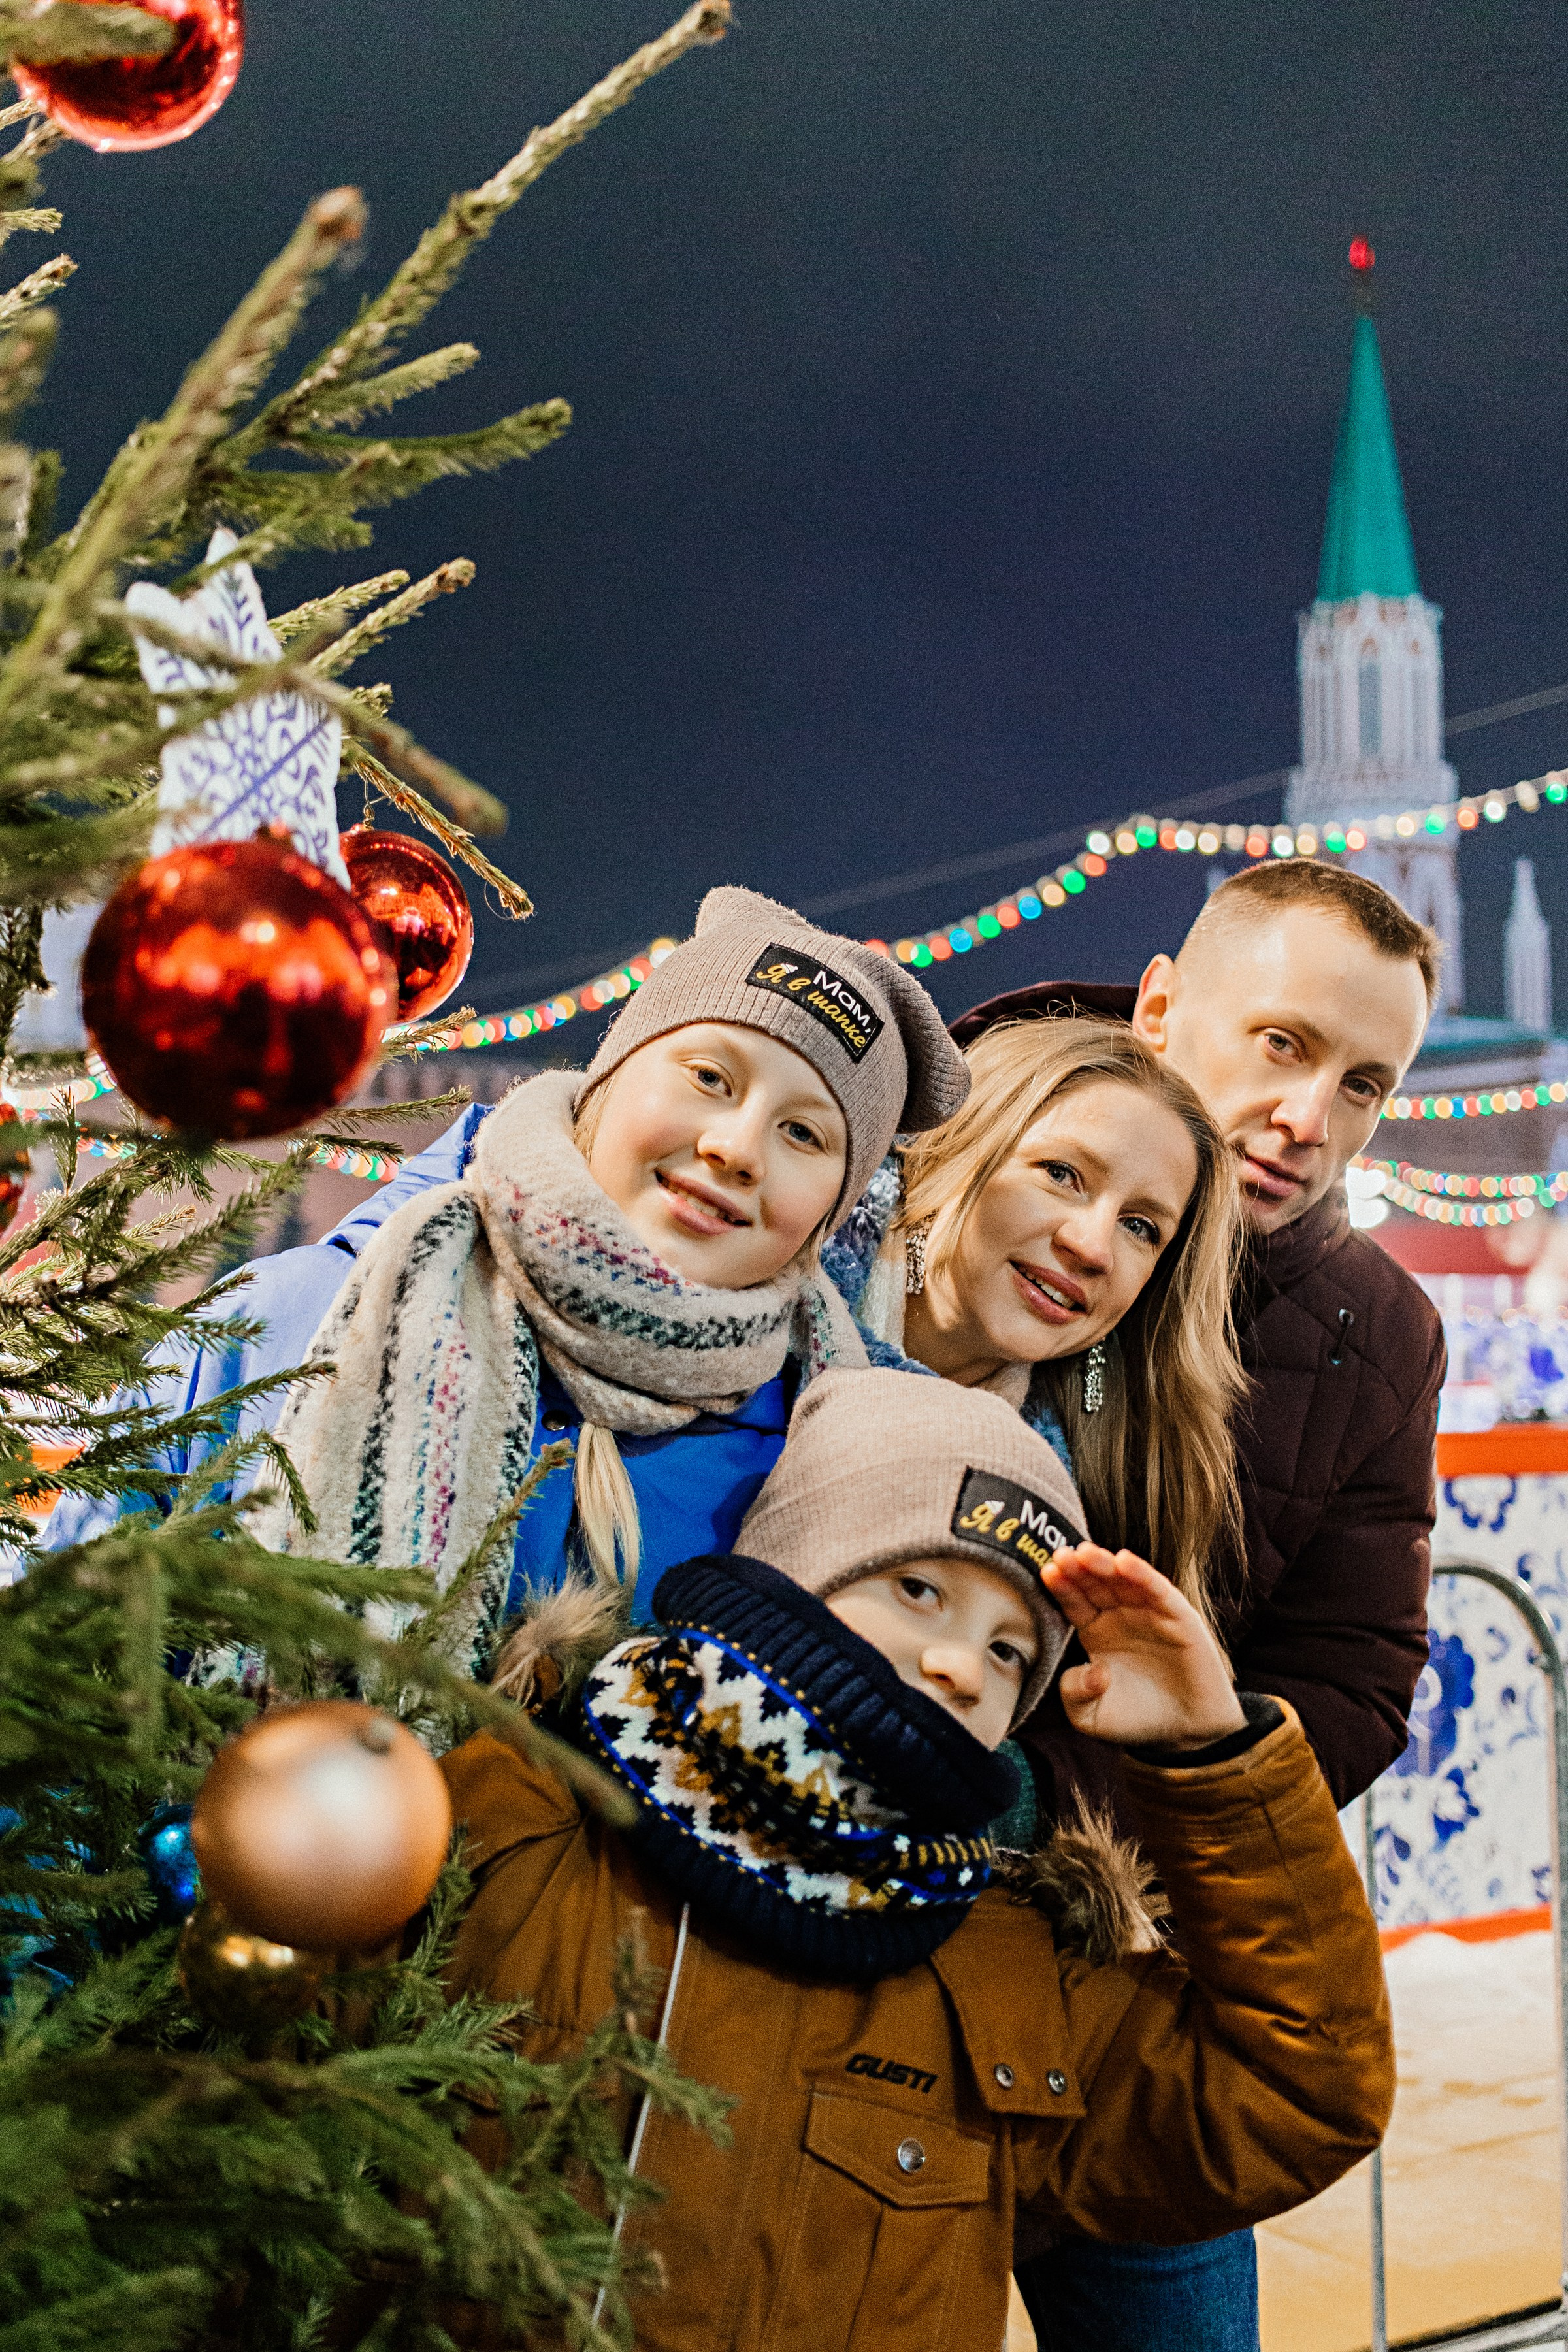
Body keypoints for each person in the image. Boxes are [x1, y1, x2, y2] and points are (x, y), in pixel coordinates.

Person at [431, 1368, 1394, 2352]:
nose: (961, 1666)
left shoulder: (1006, 1971)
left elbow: (1299, 2099)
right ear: (795, 1566)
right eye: (919, 1589)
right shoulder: (528, 1817)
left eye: (1011, 1651)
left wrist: (1211, 1755)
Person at [936, 857, 1441, 2351]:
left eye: (1364, 1085)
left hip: (1120, 1975)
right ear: (1163, 1006)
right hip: (832, 1933)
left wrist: (1093, 1792)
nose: (1310, 1118)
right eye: (1283, 1044)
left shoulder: (1373, 1331)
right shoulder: (933, 1144)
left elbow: (1354, 1680)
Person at [44, 887, 970, 1680]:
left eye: (805, 1133)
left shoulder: (827, 1471)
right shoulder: (282, 1322)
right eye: (709, 1077)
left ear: (831, 1206)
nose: (736, 1148)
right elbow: (50, 1700)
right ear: (609, 1079)